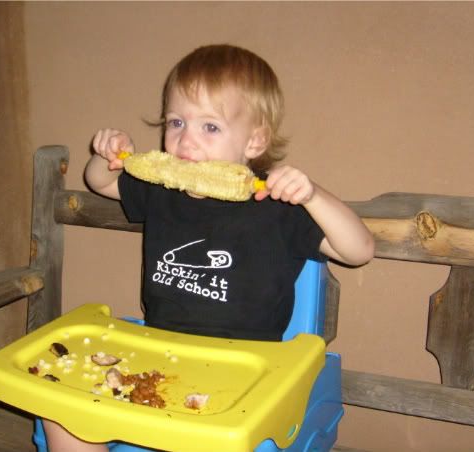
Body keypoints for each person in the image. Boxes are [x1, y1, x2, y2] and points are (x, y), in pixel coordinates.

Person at [43, 44, 374, 451]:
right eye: (176, 122)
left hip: (244, 374)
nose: (186, 140)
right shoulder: (162, 190)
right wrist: (105, 155)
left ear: (255, 141)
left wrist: (313, 196)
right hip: (159, 353)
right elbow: (102, 181)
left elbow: (359, 250)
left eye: (210, 127)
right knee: (59, 407)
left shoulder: (277, 208)